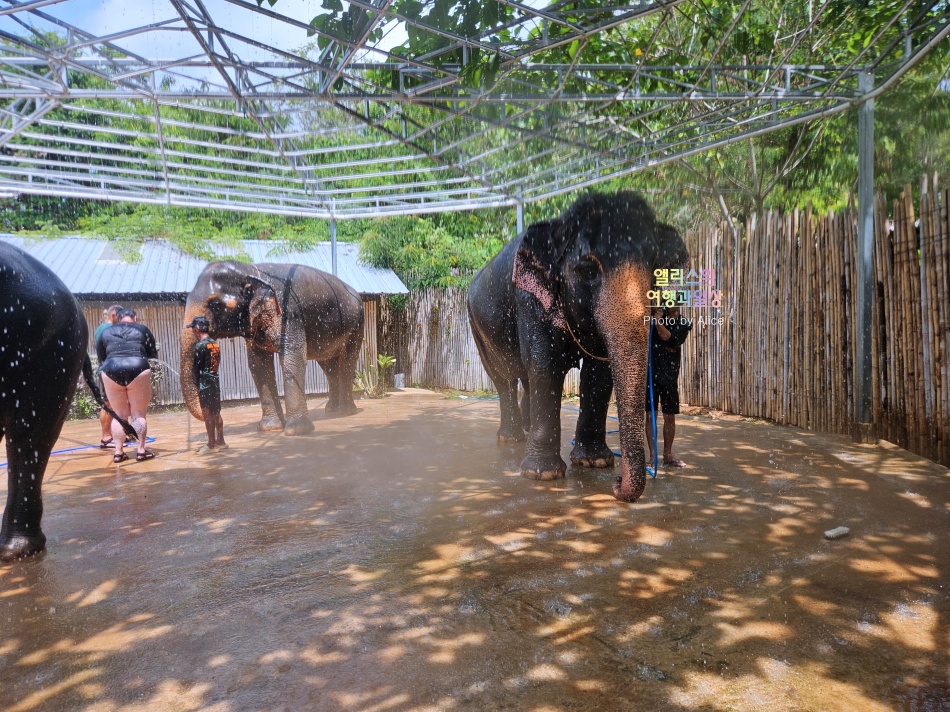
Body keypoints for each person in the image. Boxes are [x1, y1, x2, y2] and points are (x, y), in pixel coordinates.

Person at [96, 307, 158, 463]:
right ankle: (141, 451)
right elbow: (152, 354)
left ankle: (118, 453)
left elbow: (101, 357)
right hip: (137, 367)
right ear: (135, 318)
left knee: (120, 414)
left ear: (117, 318)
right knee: (138, 414)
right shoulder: (142, 329)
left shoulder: (106, 332)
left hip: (111, 369)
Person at [645, 305, 692, 468]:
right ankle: (652, 457)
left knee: (669, 416)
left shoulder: (684, 323)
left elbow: (669, 338)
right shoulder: (654, 318)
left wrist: (658, 322)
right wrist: (655, 318)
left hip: (669, 377)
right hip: (651, 375)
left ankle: (668, 454)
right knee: (650, 415)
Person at [187, 316, 227, 455]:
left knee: (207, 413)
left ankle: (211, 445)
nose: (192, 331)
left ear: (197, 329)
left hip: (204, 383)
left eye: (193, 328)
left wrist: (195, 382)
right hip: (214, 380)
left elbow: (196, 369)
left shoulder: (200, 346)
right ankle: (221, 441)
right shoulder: (214, 344)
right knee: (216, 412)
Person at [94, 304, 124, 449]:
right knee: (109, 403)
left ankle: (115, 434)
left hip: (109, 369)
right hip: (108, 370)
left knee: (115, 403)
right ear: (113, 315)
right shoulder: (107, 329)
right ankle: (106, 438)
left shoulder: (104, 328)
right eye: (120, 317)